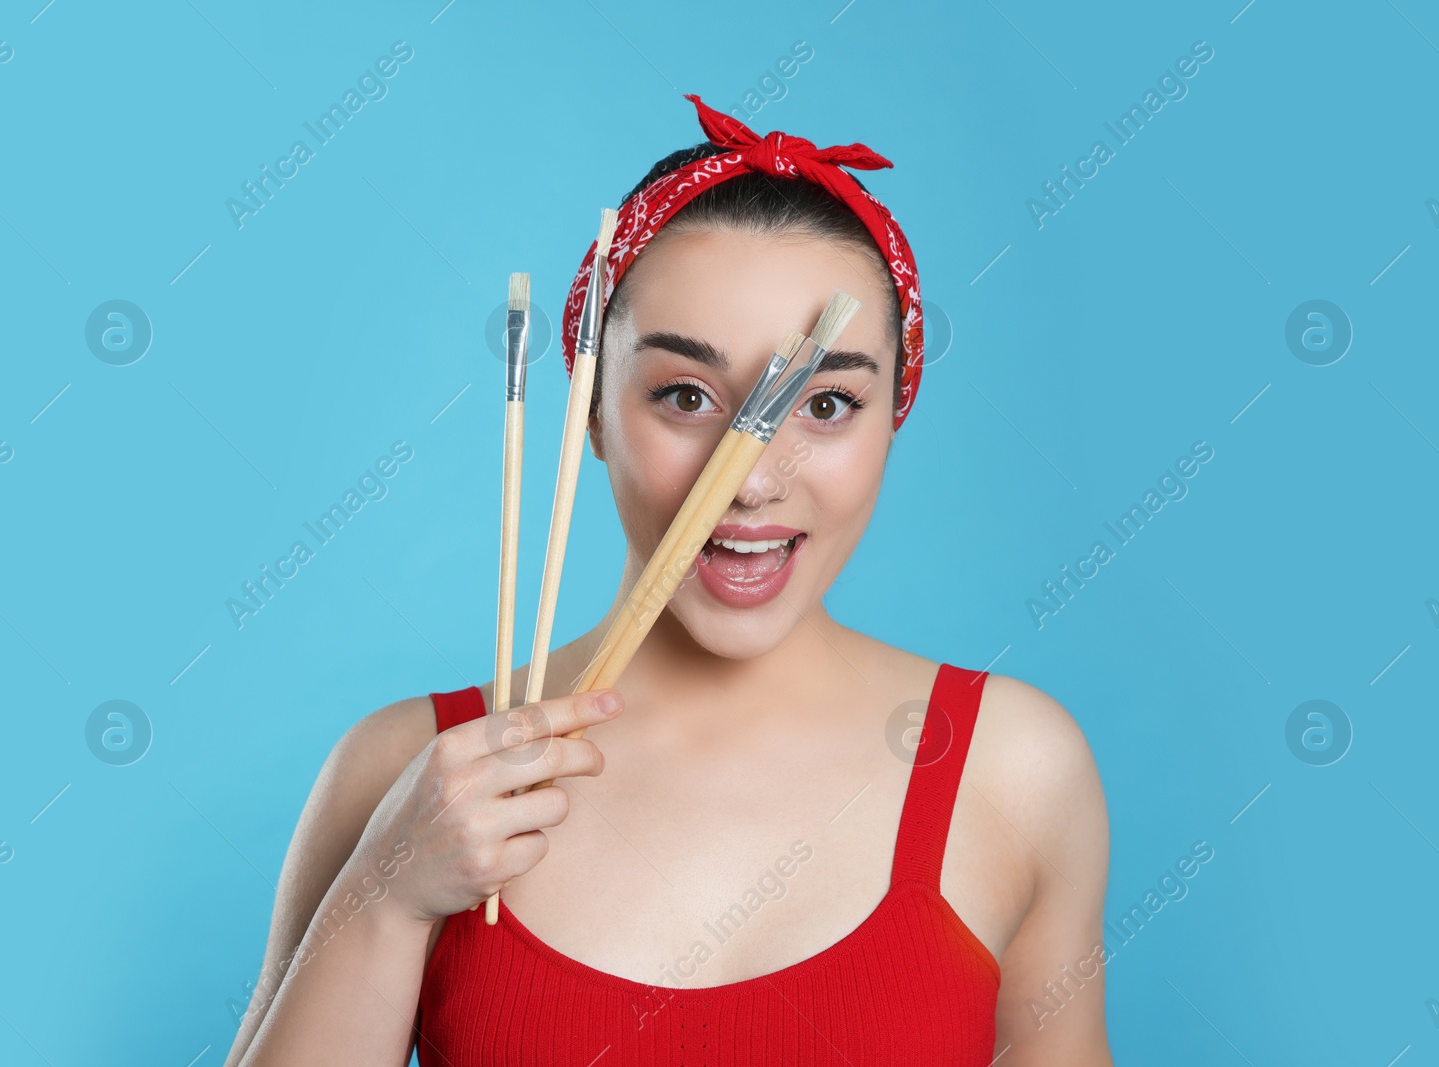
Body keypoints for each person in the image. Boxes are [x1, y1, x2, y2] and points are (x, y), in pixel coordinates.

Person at [226, 95, 1112, 1066]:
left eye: (824, 402)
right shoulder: (404, 766)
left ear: (892, 414)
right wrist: (383, 891)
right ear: (591, 414)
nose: (750, 477)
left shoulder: (1014, 767)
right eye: (684, 395)